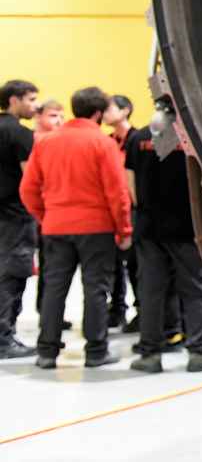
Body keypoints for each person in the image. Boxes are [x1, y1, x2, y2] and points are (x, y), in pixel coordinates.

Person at [20, 87, 133, 369]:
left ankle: (47, 352)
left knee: (54, 289)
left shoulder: (46, 143)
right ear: (97, 113)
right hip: (96, 228)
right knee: (96, 288)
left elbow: (28, 189)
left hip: (56, 226)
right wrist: (124, 229)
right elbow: (117, 192)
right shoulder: (102, 143)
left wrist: (47, 217)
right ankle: (96, 351)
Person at [126, 116, 202, 373]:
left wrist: (144, 211)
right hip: (189, 227)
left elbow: (130, 184)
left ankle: (149, 354)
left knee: (151, 292)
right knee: (196, 289)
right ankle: (199, 352)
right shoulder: (194, 134)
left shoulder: (138, 137)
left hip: (149, 228)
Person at [0, 80, 40, 359]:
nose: (34, 106)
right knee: (11, 277)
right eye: (30, 99)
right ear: (14, 100)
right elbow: (31, 180)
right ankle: (4, 338)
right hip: (15, 217)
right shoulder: (20, 134)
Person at [32, 99, 71, 331]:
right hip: (41, 214)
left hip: (51, 215)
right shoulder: (35, 142)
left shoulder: (57, 142)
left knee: (50, 269)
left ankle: (47, 314)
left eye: (61, 116)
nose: (60, 121)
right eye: (54, 116)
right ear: (39, 116)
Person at [103, 95, 138, 331]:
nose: (105, 114)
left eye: (110, 109)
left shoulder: (136, 139)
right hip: (111, 209)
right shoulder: (107, 141)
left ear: (125, 111)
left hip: (133, 208)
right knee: (113, 265)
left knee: (136, 265)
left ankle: (142, 311)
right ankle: (117, 309)